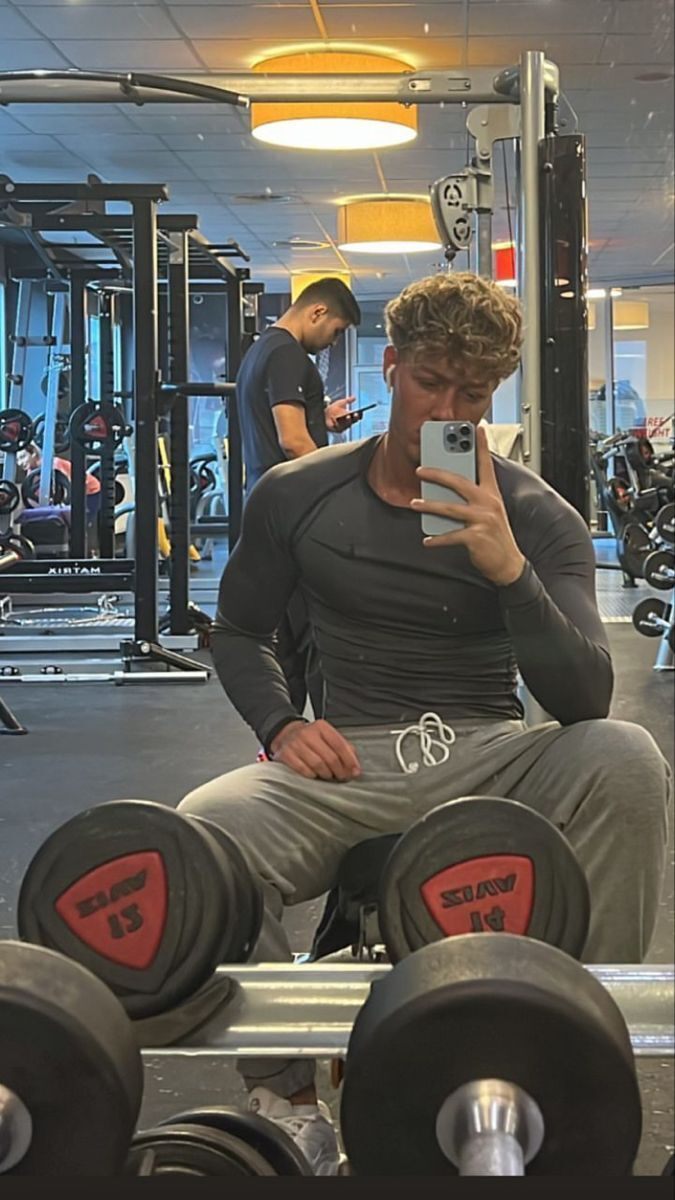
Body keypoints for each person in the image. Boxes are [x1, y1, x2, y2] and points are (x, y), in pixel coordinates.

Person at [179, 272, 671, 1174]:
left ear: (494, 394)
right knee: (204, 826)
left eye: (471, 394)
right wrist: (282, 724)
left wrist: (507, 569)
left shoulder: (534, 515)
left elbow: (583, 699)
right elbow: (241, 631)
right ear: (390, 367)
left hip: (491, 754)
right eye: (429, 382)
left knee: (624, 757)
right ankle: (287, 1101)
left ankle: (576, 1052)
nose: (445, 410)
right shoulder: (296, 493)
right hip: (346, 763)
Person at [235, 277, 362, 718]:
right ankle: (337, 734)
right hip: (295, 512)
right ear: (317, 312)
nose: (332, 342)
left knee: (287, 640)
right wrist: (340, 488)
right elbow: (291, 441)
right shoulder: (288, 354)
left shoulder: (262, 350)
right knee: (318, 635)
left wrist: (320, 419)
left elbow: (280, 424)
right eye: (336, 331)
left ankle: (283, 740)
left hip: (267, 505)